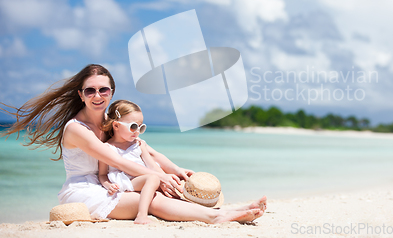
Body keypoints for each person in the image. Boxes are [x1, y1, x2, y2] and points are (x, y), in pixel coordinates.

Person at [1, 64, 266, 223]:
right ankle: (215, 217)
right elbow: (116, 160)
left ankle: (232, 209)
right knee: (148, 199)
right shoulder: (76, 129)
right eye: (90, 90)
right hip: (86, 191)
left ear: (112, 92)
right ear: (81, 95)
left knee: (159, 189)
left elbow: (144, 148)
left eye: (103, 90)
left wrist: (174, 170)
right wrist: (158, 176)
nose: (97, 95)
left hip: (114, 183)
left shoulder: (113, 121)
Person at [98, 99, 161, 224]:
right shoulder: (107, 148)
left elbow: (152, 166)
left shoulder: (138, 144)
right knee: (153, 178)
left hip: (142, 178)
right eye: (133, 126)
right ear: (116, 125)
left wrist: (167, 178)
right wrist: (108, 185)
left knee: (158, 178)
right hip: (127, 181)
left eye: (141, 127)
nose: (137, 131)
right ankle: (141, 215)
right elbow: (102, 174)